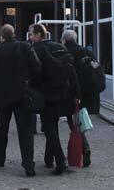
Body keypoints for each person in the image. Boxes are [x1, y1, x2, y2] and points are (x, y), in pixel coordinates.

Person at [0, 24, 41, 177]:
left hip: (3, 97)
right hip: (22, 95)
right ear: (14, 34)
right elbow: (37, 67)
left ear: (2, 37)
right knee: (25, 131)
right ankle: (29, 164)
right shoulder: (24, 47)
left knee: (2, 129)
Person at [29, 23, 79, 175]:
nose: (30, 37)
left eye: (31, 34)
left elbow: (33, 74)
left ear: (38, 34)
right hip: (64, 94)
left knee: (49, 128)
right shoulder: (60, 47)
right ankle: (48, 159)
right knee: (53, 126)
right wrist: (76, 94)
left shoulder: (36, 50)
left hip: (47, 95)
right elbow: (72, 72)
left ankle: (60, 161)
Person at [61, 29, 99, 168]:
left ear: (64, 40)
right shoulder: (86, 51)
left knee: (74, 123)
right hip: (87, 93)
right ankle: (82, 148)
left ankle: (83, 147)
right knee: (79, 120)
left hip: (71, 93)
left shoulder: (65, 52)